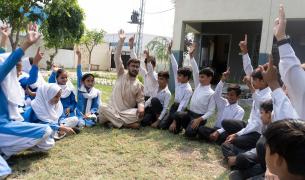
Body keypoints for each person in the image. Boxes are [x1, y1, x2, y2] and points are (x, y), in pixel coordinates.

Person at [0, 23, 54, 164]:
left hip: (12, 122)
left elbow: (4, 61)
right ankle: (5, 151)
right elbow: (6, 64)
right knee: (46, 131)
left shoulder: (11, 82)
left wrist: (3, 39)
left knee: (48, 144)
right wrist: (27, 44)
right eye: (15, 65)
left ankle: (7, 148)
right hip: (2, 127)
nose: (17, 66)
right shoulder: (3, 76)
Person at [222, 35, 272, 153]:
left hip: (257, 131)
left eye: (254, 80)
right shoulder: (259, 89)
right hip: (249, 126)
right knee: (226, 123)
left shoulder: (269, 96)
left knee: (234, 140)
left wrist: (237, 135)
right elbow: (249, 70)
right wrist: (245, 52)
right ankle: (236, 144)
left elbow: (257, 123)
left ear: (264, 81)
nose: (252, 82)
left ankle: (240, 149)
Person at [99, 29, 145, 129]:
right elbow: (117, 57)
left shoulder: (139, 85)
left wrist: (141, 108)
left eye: (137, 67)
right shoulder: (121, 74)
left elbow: (141, 100)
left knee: (139, 115)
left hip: (126, 113)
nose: (135, 68)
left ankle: (114, 122)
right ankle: (125, 124)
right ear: (128, 67)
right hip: (112, 109)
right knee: (102, 107)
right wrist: (121, 41)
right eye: (133, 66)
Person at [173, 43, 216, 137]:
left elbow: (211, 111)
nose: (200, 79)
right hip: (190, 114)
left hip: (199, 117)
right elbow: (196, 71)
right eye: (199, 77)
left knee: (189, 134)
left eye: (203, 77)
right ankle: (186, 127)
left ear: (209, 78)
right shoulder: (198, 86)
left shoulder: (212, 93)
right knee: (177, 114)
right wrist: (191, 56)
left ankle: (194, 129)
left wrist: (199, 119)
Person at [198, 68, 245, 144]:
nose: (229, 97)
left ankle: (213, 138)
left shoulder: (240, 110)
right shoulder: (223, 102)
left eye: (232, 95)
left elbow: (233, 127)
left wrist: (218, 132)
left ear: (238, 97)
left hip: (226, 131)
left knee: (226, 136)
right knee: (201, 129)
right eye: (228, 94)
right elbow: (216, 94)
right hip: (215, 128)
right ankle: (215, 139)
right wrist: (222, 80)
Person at [158, 41, 193, 132]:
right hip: (174, 107)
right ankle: (168, 116)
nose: (177, 77)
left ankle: (179, 125)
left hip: (181, 111)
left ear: (186, 77)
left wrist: (174, 122)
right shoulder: (179, 82)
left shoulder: (188, 89)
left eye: (180, 76)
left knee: (173, 131)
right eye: (178, 75)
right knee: (162, 126)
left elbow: (182, 106)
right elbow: (175, 66)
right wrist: (170, 52)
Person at [76, 49, 101, 127]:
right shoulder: (81, 88)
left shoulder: (95, 92)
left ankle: (87, 122)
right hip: (79, 113)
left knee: (92, 121)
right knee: (80, 122)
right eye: (88, 81)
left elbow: (95, 106)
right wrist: (79, 57)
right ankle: (83, 122)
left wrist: (89, 113)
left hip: (90, 114)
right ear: (83, 81)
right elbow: (79, 72)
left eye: (92, 81)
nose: (90, 83)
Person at [129, 35, 158, 101]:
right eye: (146, 65)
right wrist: (131, 47)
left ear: (154, 65)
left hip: (152, 100)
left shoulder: (156, 76)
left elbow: (150, 72)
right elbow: (136, 61)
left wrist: (148, 59)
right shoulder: (145, 73)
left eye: (150, 64)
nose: (148, 67)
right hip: (144, 98)